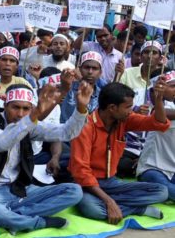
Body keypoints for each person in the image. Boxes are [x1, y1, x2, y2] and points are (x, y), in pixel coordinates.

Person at [0, 83, 92, 233]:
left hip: (19, 188)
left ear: (31, 109)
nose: (20, 114)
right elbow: (2, 142)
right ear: (5, 105)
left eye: (26, 109)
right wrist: (33, 115)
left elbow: (65, 133)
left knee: (74, 191)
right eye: (15, 107)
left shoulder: (28, 124)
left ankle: (17, 217)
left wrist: (80, 110)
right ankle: (39, 222)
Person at [70, 82, 170, 224]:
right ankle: (138, 209)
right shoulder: (84, 127)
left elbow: (159, 124)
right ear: (112, 108)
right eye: (128, 107)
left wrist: (159, 100)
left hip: (111, 182)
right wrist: (109, 201)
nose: (131, 111)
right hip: (88, 186)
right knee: (92, 209)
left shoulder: (124, 119)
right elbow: (81, 172)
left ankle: (113, 204)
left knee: (162, 192)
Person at [137, 70, 175, 201]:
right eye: (173, 86)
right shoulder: (160, 109)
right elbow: (161, 114)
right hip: (153, 168)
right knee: (166, 191)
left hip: (173, 170)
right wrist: (158, 98)